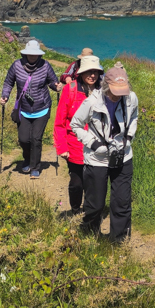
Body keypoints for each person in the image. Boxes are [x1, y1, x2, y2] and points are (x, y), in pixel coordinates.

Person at [70, 63, 138, 241]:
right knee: (95, 205)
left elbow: (134, 117)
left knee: (122, 202)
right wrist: (93, 143)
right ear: (106, 86)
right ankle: (88, 236)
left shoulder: (131, 98)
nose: (119, 95)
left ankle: (119, 240)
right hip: (97, 159)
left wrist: (129, 138)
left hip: (123, 156)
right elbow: (75, 124)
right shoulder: (91, 102)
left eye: (123, 90)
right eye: (116, 91)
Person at [0, 38, 59, 177]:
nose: (32, 56)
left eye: (35, 54)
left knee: (36, 138)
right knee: (24, 139)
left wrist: (56, 87)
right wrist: (5, 95)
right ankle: (27, 158)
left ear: (39, 55)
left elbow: (52, 82)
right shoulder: (16, 66)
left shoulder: (45, 66)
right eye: (30, 53)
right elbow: (8, 82)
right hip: (23, 109)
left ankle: (35, 167)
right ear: (25, 54)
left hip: (42, 108)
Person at [54, 54, 101, 211]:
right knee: (76, 183)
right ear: (81, 72)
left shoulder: (103, 91)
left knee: (92, 182)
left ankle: (89, 212)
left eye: (95, 72)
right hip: (75, 147)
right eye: (89, 71)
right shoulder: (70, 90)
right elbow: (60, 121)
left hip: (97, 147)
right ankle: (75, 208)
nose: (92, 75)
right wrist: (62, 147)